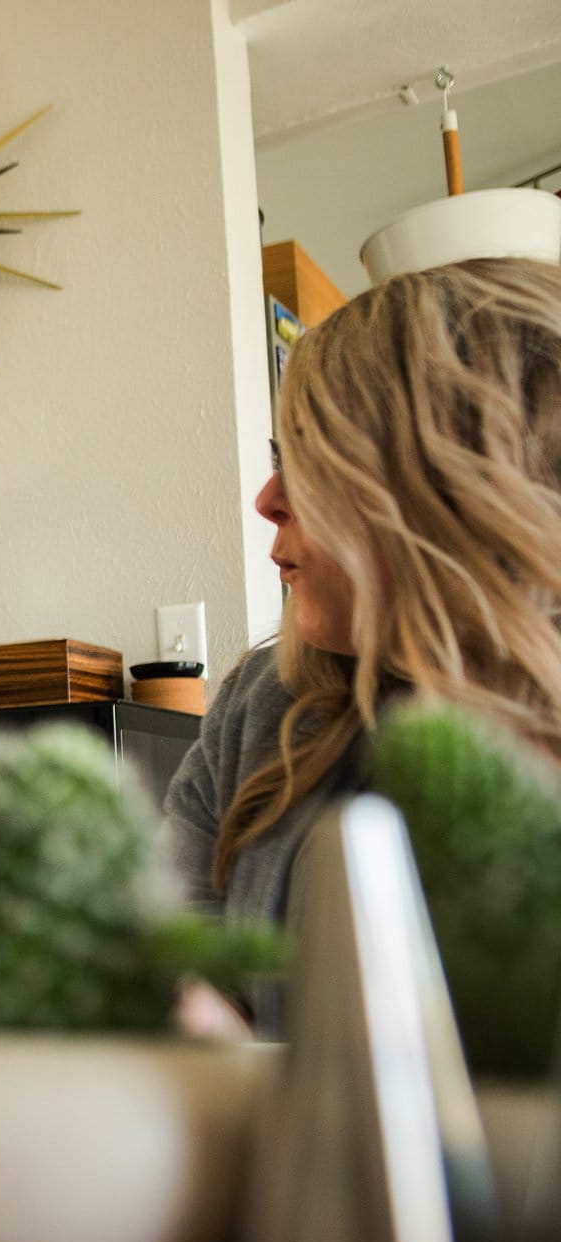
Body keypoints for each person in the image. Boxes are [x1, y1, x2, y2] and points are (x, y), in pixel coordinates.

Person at [163, 257, 561, 938]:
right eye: (278, 454)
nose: (267, 500)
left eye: (314, 456)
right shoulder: (262, 706)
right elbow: (167, 954)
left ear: (457, 490)